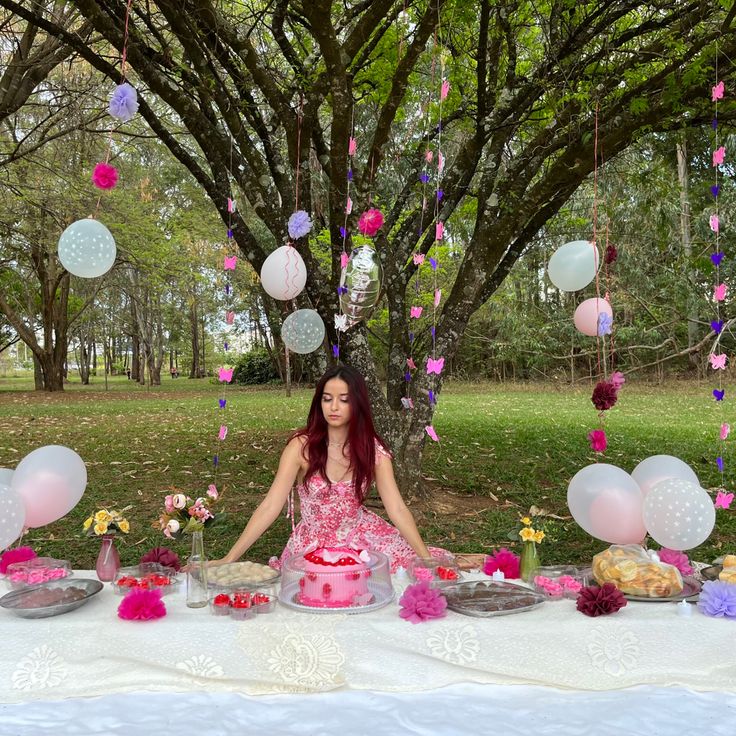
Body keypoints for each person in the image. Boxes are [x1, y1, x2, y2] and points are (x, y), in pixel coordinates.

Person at [217, 364, 448, 572]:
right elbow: (270, 506)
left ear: (357, 403)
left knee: (406, 574)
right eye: (327, 399)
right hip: (312, 546)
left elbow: (396, 507)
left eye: (344, 399)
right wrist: (228, 558)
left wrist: (425, 558)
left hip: (361, 538)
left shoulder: (373, 450)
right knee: (324, 589)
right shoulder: (301, 447)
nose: (334, 407)